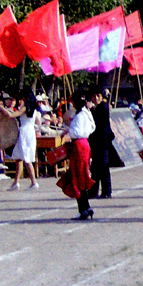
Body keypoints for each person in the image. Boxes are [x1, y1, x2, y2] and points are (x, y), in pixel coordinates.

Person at [57, 90, 96, 220]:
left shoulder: (79, 116)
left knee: (77, 176)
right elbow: (92, 128)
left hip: (78, 145)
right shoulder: (86, 113)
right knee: (81, 175)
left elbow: (76, 132)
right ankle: (86, 206)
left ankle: (83, 209)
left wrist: (69, 131)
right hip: (84, 144)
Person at [0, 90, 40, 190]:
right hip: (30, 131)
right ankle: (16, 182)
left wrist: (2, 108)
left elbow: (11, 115)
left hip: (24, 132)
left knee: (26, 157)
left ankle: (34, 182)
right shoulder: (33, 110)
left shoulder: (25, 108)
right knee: (19, 158)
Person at [87, 88, 116, 199]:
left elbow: (97, 124)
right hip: (96, 142)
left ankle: (106, 191)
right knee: (95, 167)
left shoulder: (102, 107)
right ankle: (94, 191)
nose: (96, 98)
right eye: (94, 96)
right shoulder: (96, 108)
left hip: (102, 141)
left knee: (103, 167)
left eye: (98, 96)